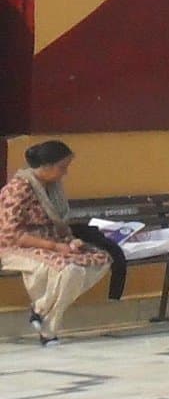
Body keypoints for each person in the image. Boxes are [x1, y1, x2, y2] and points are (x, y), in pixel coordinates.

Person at [0, 140, 111, 344]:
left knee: (100, 258)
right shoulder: (18, 189)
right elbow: (10, 234)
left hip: (53, 241)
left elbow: (60, 225)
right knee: (70, 269)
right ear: (47, 166)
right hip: (18, 247)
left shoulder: (53, 188)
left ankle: (40, 309)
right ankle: (48, 329)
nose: (65, 173)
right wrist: (54, 247)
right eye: (62, 167)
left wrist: (71, 242)